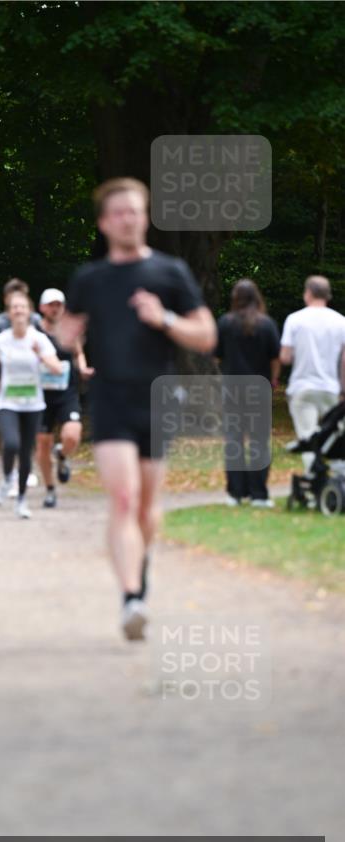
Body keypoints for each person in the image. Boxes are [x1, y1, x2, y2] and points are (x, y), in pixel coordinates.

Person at [58, 177, 216, 639]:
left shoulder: (170, 272)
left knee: (148, 507)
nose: (129, 218)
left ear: (145, 216)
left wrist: (163, 318)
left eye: (136, 210)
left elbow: (206, 335)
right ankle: (130, 598)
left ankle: (139, 579)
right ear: (105, 223)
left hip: (158, 396)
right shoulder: (89, 279)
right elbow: (66, 332)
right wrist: (65, 337)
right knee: (123, 499)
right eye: (120, 212)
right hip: (111, 397)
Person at [0, 290, 63, 518]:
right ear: (9, 313)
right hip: (8, 401)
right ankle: (7, 477)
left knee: (26, 451)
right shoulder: (0, 339)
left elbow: (57, 368)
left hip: (33, 403)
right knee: (11, 444)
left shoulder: (39, 339)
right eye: (14, 307)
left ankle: (21, 500)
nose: (19, 310)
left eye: (23, 307)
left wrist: (41, 355)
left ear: (29, 312)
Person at [214, 279, 280, 508]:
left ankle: (235, 492)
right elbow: (275, 357)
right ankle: (259, 494)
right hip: (259, 389)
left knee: (234, 440)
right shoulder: (267, 324)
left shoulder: (225, 323)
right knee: (259, 441)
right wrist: (273, 380)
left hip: (232, 388)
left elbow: (217, 355)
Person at [35, 288, 94, 508]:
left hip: (65, 394)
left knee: (72, 436)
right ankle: (50, 489)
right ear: (42, 308)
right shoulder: (35, 332)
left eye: (59, 304)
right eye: (51, 304)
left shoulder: (69, 332)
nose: (55, 308)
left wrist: (83, 368)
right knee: (42, 445)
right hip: (40, 396)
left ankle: (61, 455)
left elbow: (78, 353)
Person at [280, 275, 345, 473]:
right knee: (333, 438)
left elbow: (285, 357)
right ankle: (340, 478)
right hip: (330, 388)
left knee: (308, 438)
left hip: (303, 387)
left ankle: (315, 481)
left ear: (308, 293)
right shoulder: (341, 321)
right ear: (328, 295)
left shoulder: (295, 319)